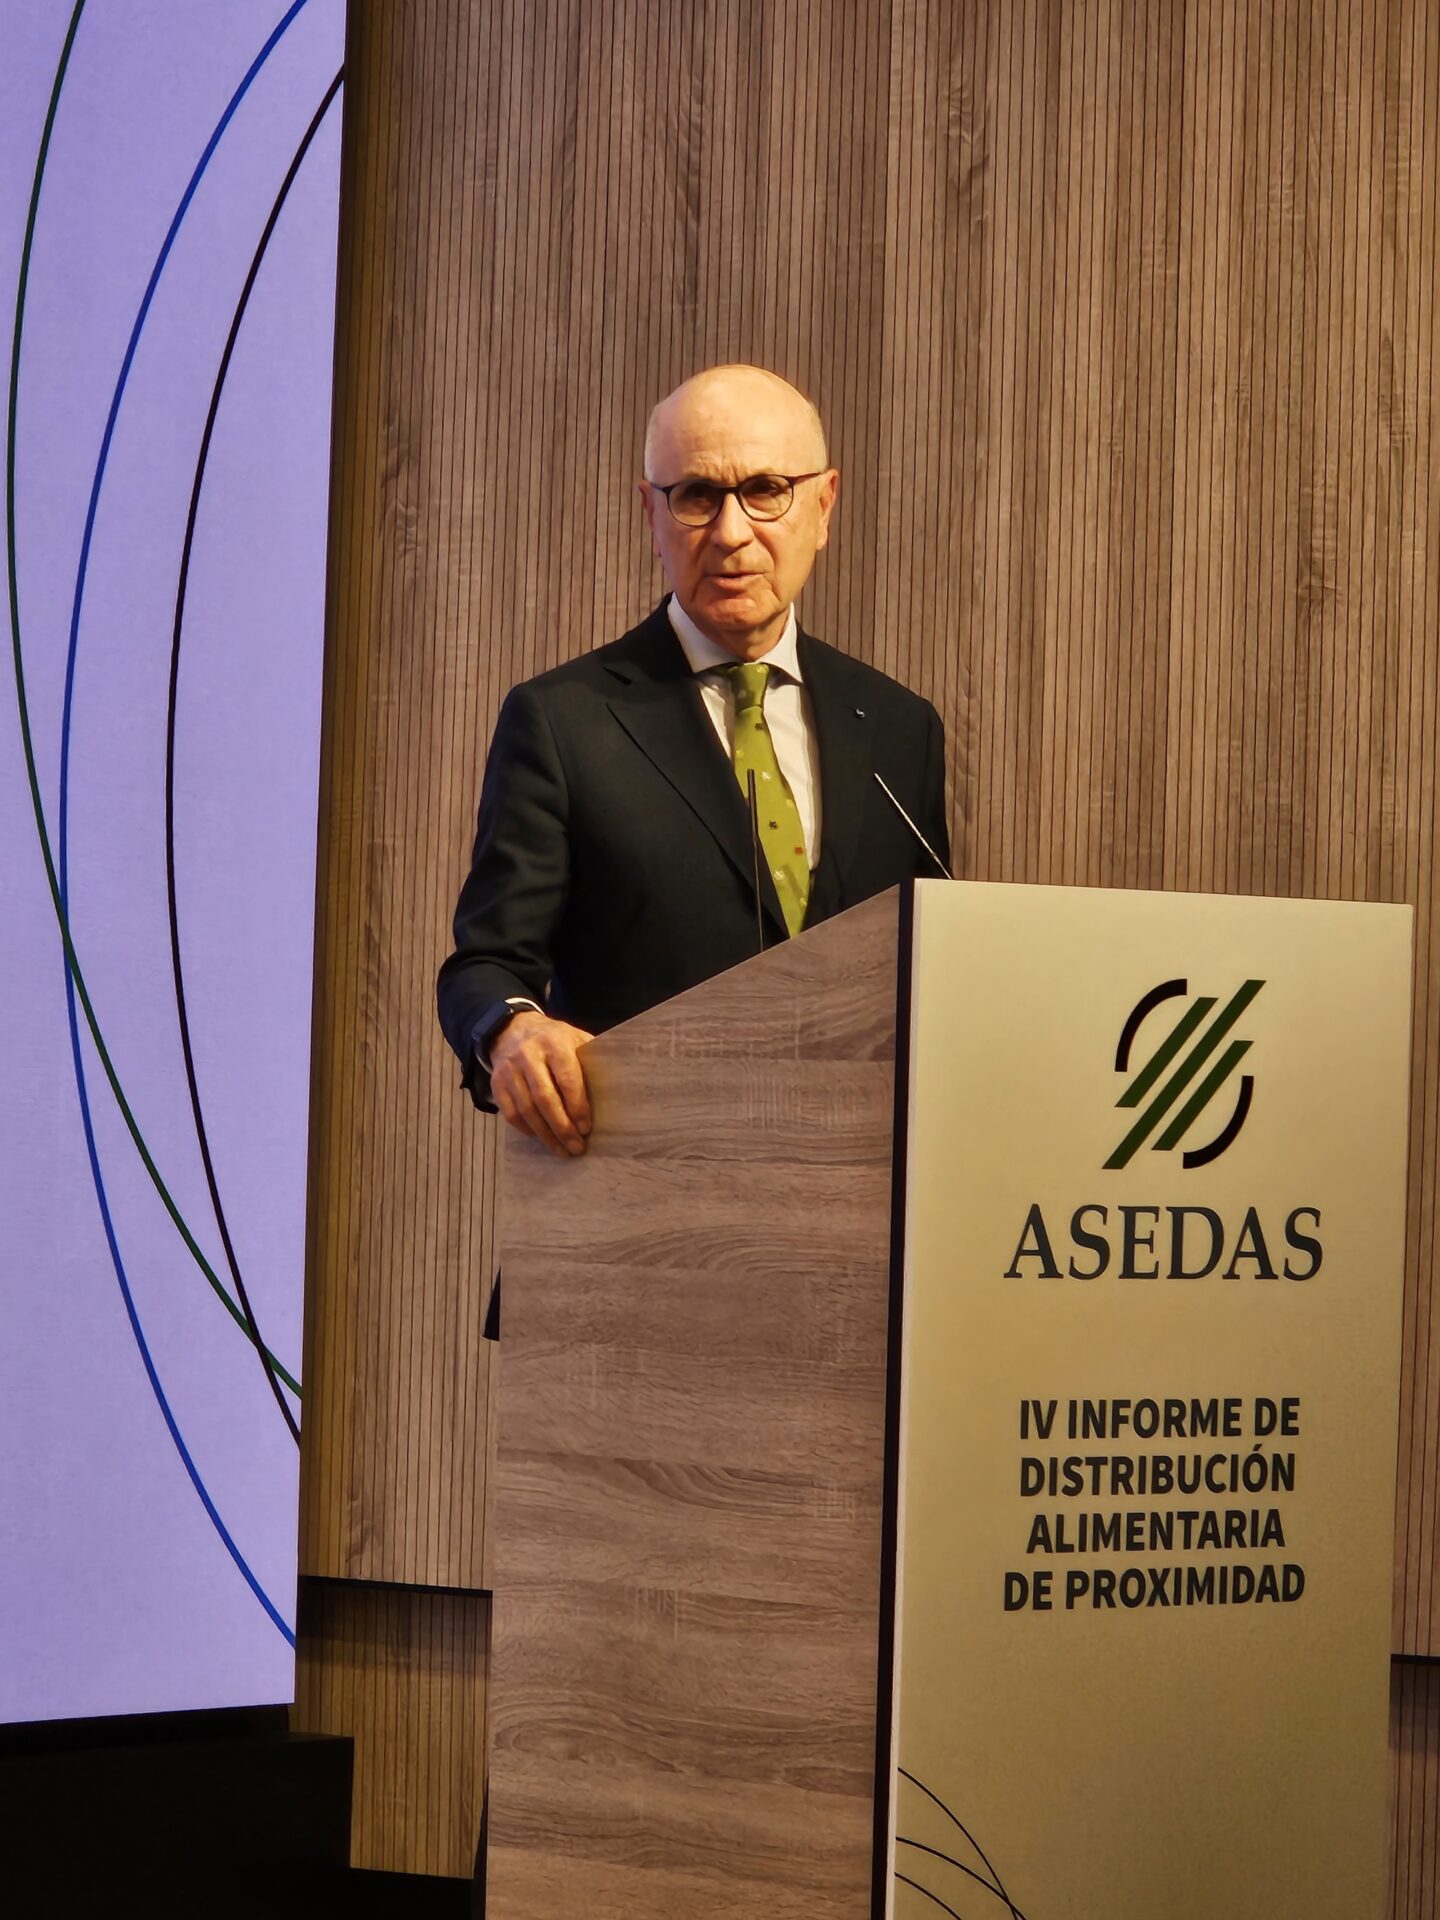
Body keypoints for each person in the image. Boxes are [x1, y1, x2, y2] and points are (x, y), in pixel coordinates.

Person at [437, 364, 949, 1156]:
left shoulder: (898, 729)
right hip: (645, 1178)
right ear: (652, 514)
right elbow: (485, 965)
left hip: (852, 1180)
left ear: (824, 506)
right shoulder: (565, 722)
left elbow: (932, 968)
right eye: (698, 496)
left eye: (766, 490)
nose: (732, 533)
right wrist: (510, 1030)